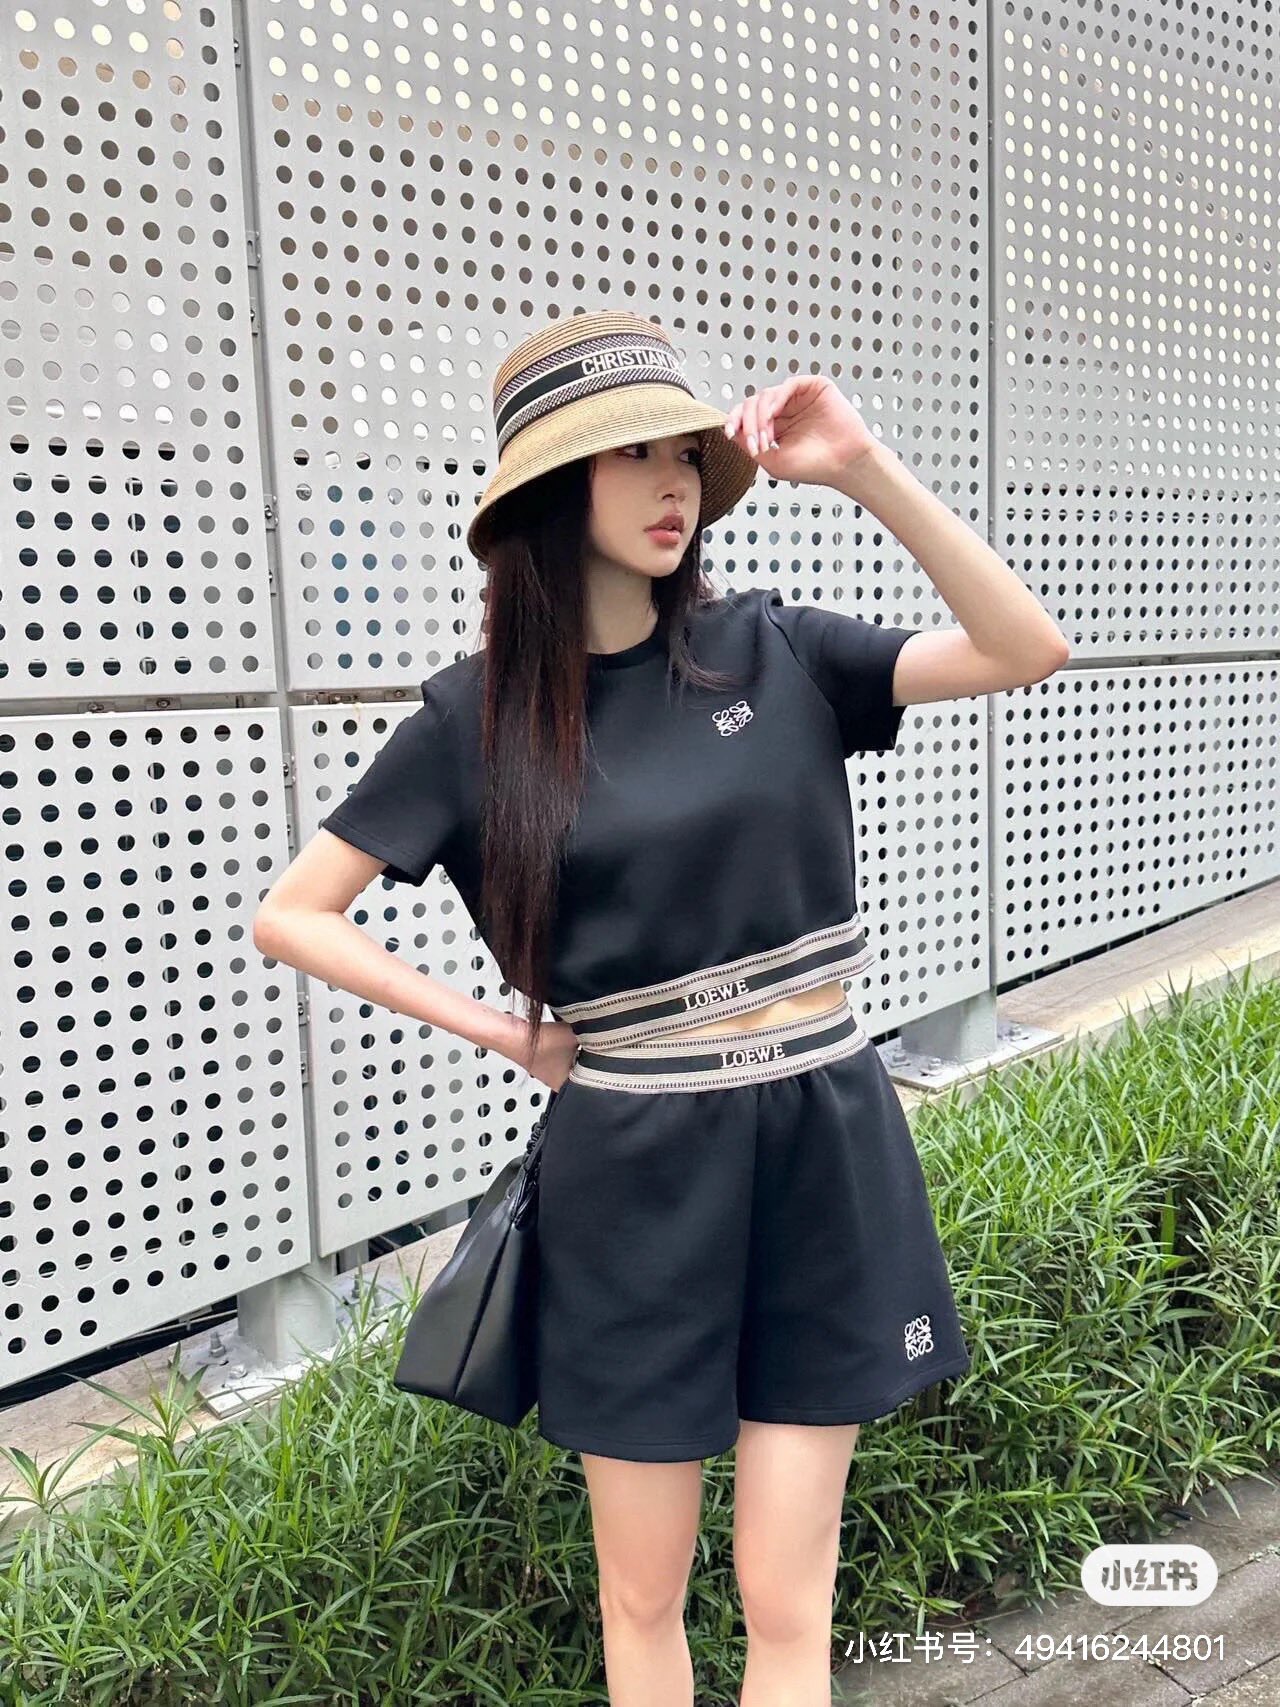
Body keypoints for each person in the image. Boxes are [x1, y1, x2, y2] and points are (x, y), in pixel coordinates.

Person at [253, 308, 1071, 1707]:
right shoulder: (473, 722)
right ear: (550, 490)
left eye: (683, 452)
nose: (671, 482)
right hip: (632, 1165)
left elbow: (1023, 646)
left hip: (823, 1134)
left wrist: (863, 467)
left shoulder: (774, 647)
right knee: (642, 1597)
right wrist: (501, 1030)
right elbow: (294, 912)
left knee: (789, 1599)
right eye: (629, 455)